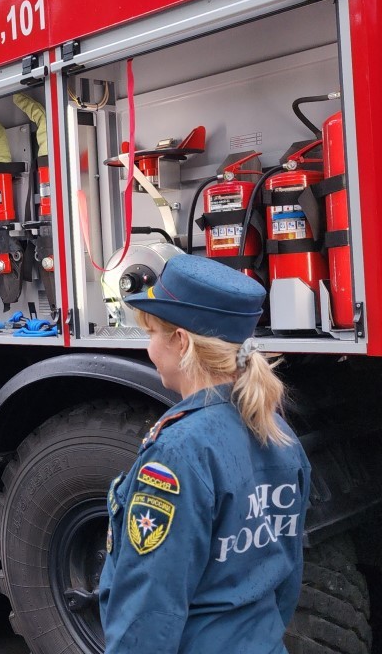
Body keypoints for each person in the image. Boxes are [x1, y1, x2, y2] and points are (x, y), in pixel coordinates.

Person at [99, 254, 311, 653]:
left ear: (180, 340)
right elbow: (286, 576)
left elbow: (150, 607)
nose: (149, 349)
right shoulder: (279, 432)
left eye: (152, 334)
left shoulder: (178, 453)